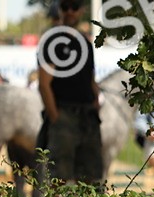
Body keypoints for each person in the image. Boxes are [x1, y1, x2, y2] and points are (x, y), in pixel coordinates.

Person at [36, 0, 104, 186]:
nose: (70, 12)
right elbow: (44, 84)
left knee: (91, 178)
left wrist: (96, 103)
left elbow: (90, 79)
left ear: (82, 10)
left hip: (88, 117)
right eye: (65, 7)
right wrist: (55, 116)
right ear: (60, 10)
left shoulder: (86, 43)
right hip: (64, 114)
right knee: (58, 178)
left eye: (74, 7)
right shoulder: (52, 41)